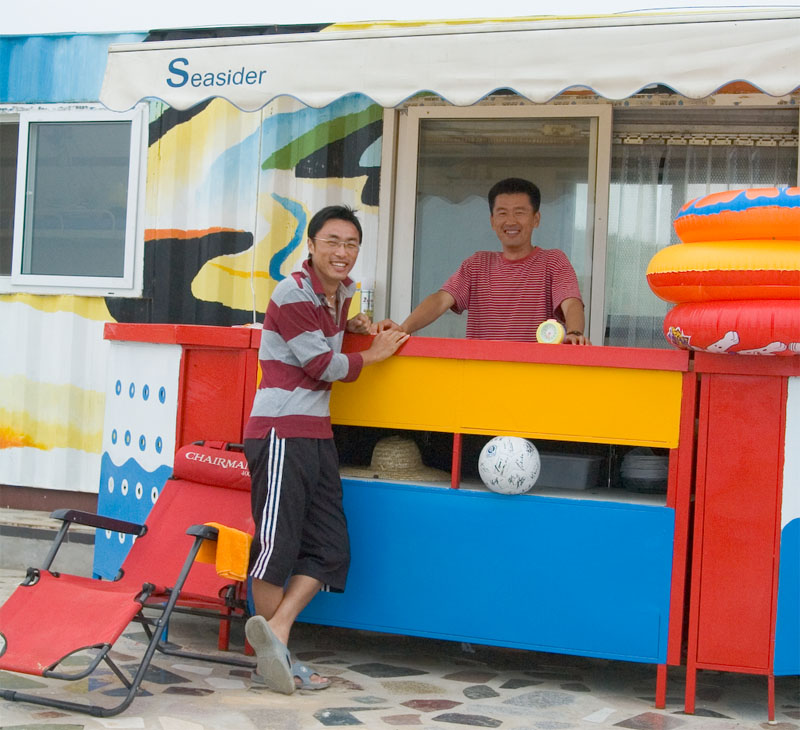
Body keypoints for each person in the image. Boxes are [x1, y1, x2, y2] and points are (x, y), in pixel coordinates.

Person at [243, 205, 409, 694]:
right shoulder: (293, 292)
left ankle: (276, 634)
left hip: (315, 433)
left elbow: (327, 336)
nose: (342, 251)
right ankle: (276, 658)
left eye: (351, 243)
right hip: (280, 431)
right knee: (276, 548)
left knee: (331, 547)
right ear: (311, 245)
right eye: (332, 241)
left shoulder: (338, 295)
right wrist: (371, 354)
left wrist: (356, 326)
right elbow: (319, 364)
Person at [384, 177, 590, 345]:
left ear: (536, 219)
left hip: (535, 372)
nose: (511, 221)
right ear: (492, 221)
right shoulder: (477, 265)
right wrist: (403, 329)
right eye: (502, 213)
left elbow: (571, 302)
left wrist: (574, 333)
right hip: (481, 371)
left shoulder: (552, 261)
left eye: (519, 213)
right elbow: (440, 301)